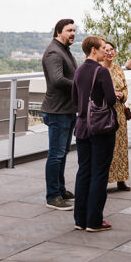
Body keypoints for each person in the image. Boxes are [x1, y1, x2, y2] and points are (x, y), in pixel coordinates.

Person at [72, 36, 117, 232]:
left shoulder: (79, 70)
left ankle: (80, 219)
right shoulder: (102, 72)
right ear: (93, 50)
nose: (105, 52)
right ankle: (94, 220)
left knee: (84, 172)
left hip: (82, 127)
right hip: (100, 129)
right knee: (99, 174)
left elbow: (74, 98)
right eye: (102, 49)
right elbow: (111, 99)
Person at [41, 18, 77, 210]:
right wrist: (80, 85)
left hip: (67, 110)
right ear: (58, 32)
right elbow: (57, 80)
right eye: (69, 30)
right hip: (57, 111)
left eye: (74, 30)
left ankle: (60, 189)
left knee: (62, 153)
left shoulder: (65, 50)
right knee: (56, 154)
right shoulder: (54, 52)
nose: (72, 33)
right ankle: (52, 196)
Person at [102, 39, 130, 191]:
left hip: (119, 112)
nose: (109, 52)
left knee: (121, 147)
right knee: (107, 147)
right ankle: (105, 179)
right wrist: (111, 95)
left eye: (112, 49)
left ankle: (121, 178)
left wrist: (122, 95)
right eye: (106, 50)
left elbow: (126, 88)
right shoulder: (99, 70)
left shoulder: (119, 69)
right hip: (105, 113)